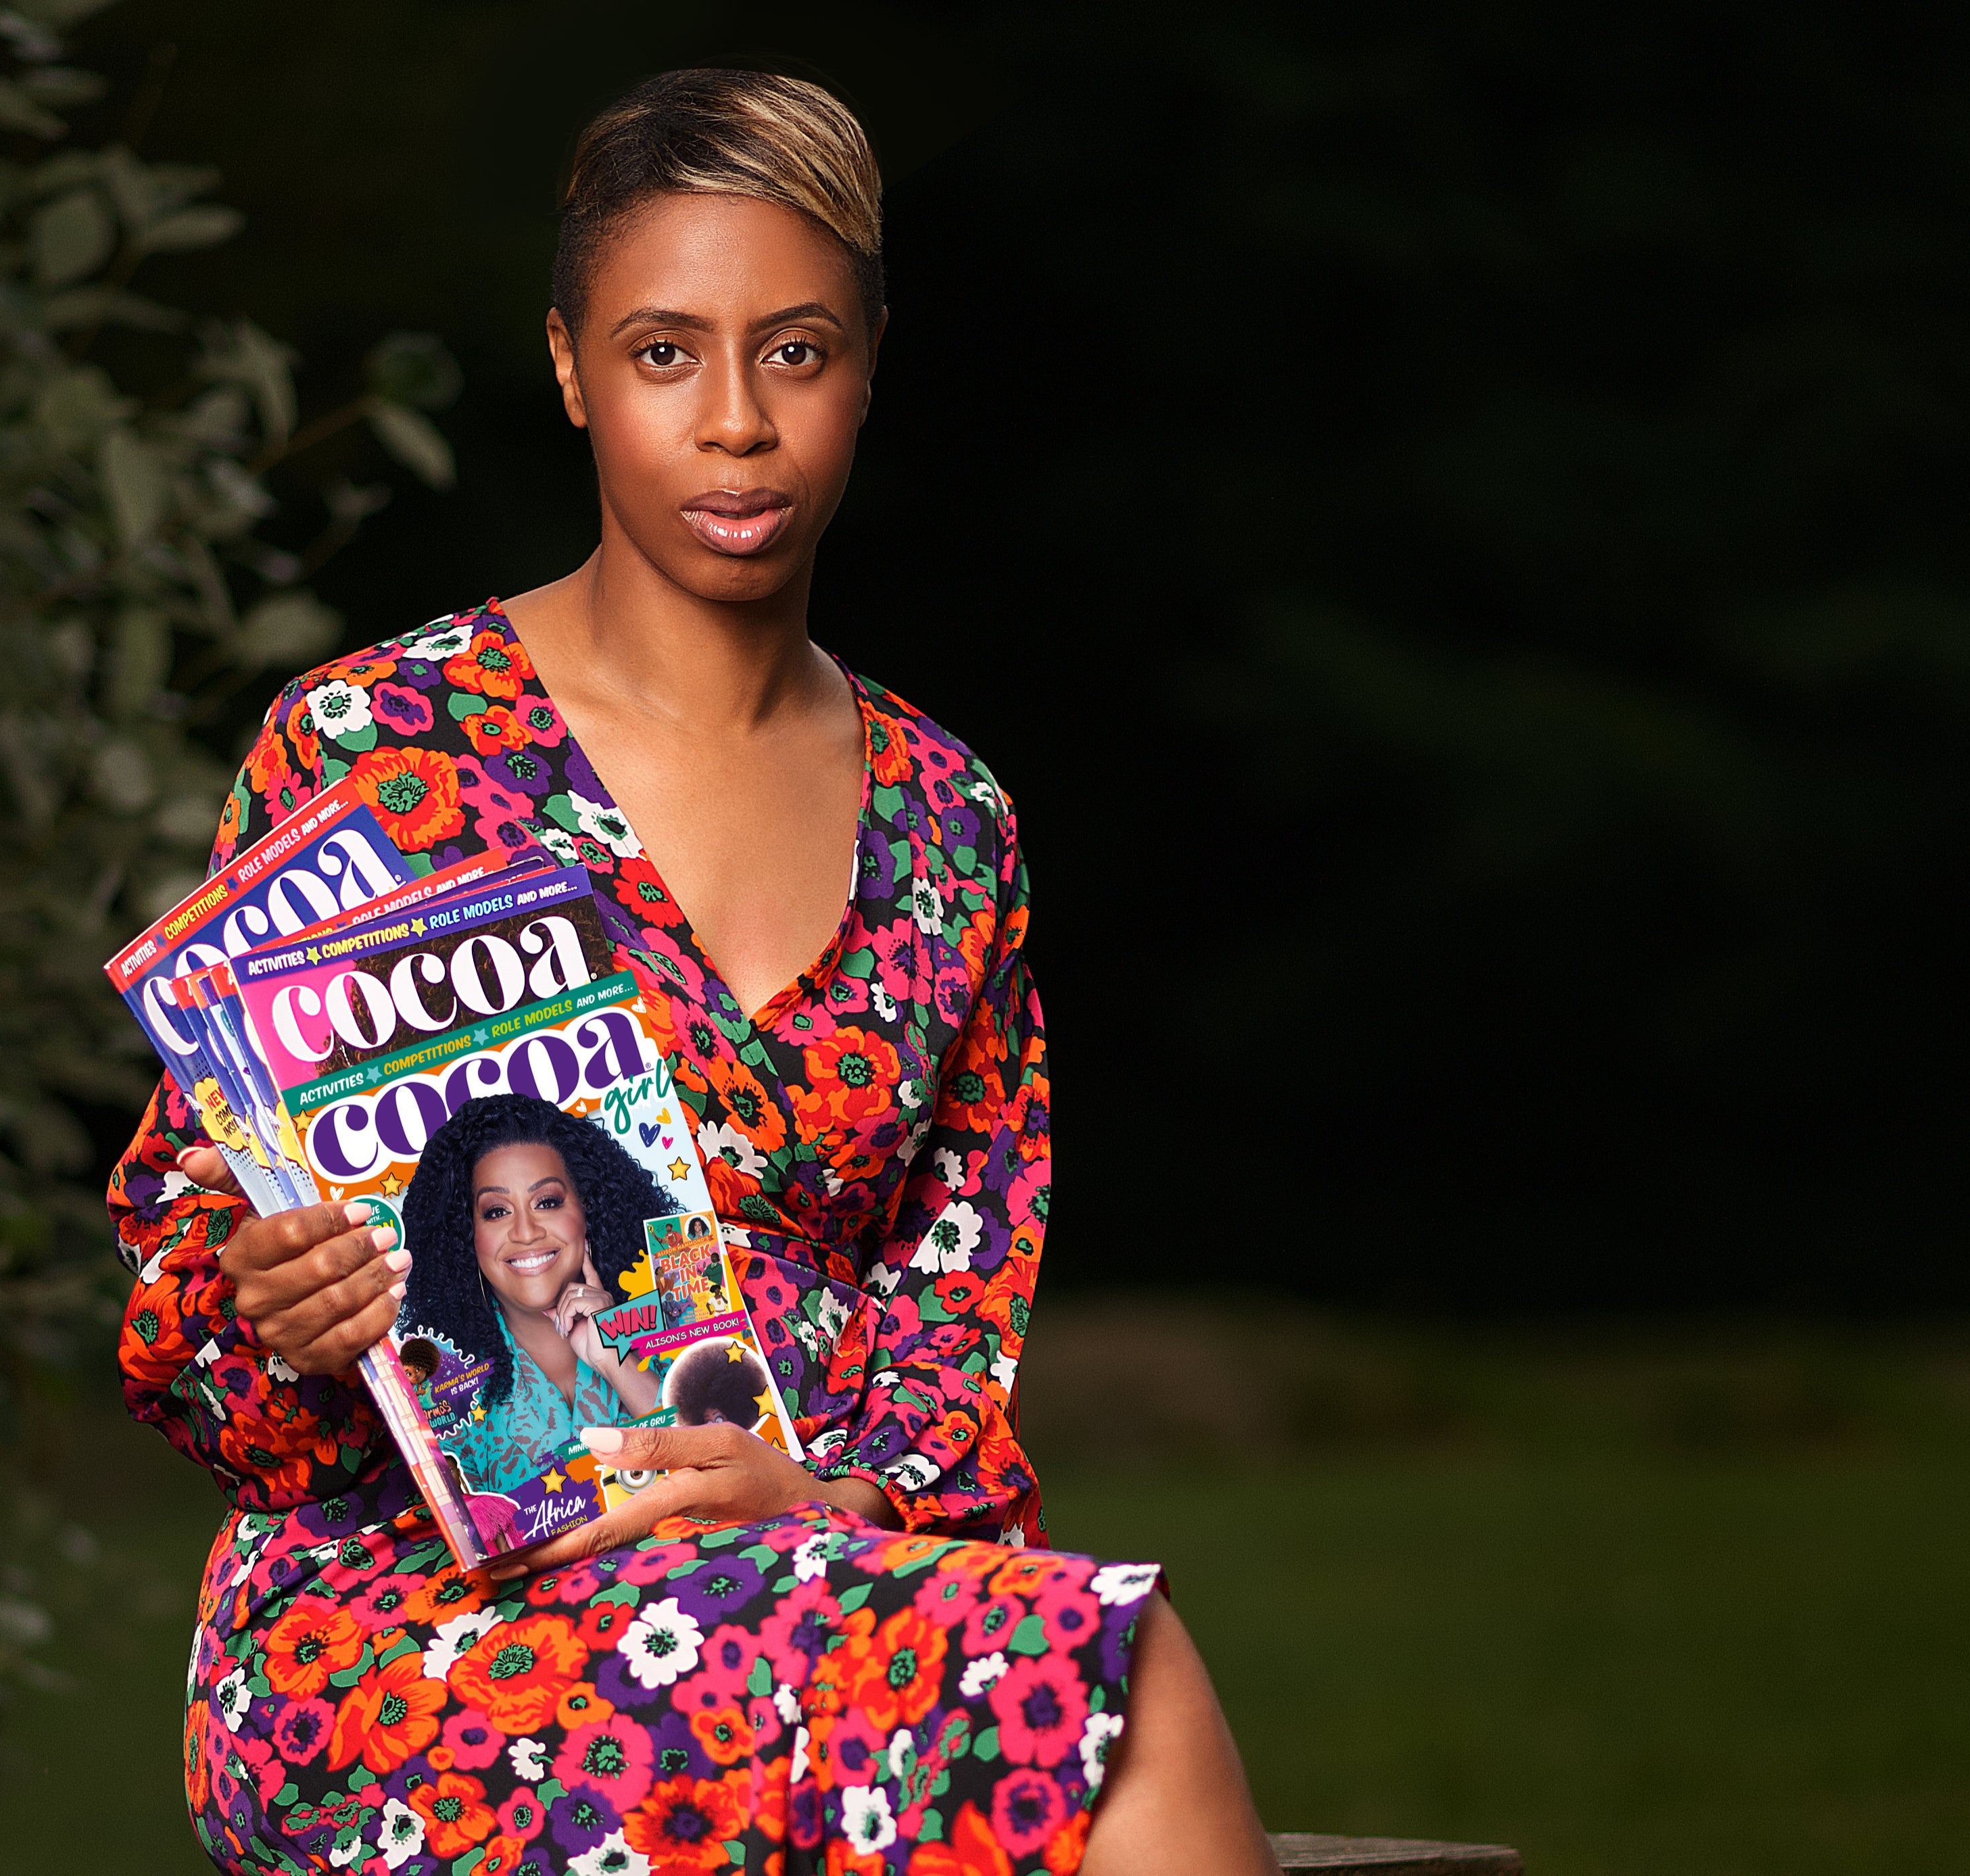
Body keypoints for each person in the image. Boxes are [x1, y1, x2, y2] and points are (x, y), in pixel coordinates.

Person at [107, 68, 1279, 1875]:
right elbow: (198, 1320)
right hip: (409, 1622)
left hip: (817, 1572)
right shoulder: (383, 747)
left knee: (1083, 1678)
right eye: (665, 355)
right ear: (572, 367)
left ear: (870, 366)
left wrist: (828, 1493)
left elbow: (949, 1333)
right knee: (1113, 1677)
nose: (736, 423)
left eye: (794, 354)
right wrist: (280, 1302)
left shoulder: (948, 817)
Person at [398, 1095, 671, 1493]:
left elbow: (722, 1463)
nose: (526, 1232)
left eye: (547, 1202)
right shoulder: (442, 1387)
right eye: (496, 1212)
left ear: (587, 1209)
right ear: (465, 1236)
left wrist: (616, 1358)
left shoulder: (675, 1304)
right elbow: (478, 1541)